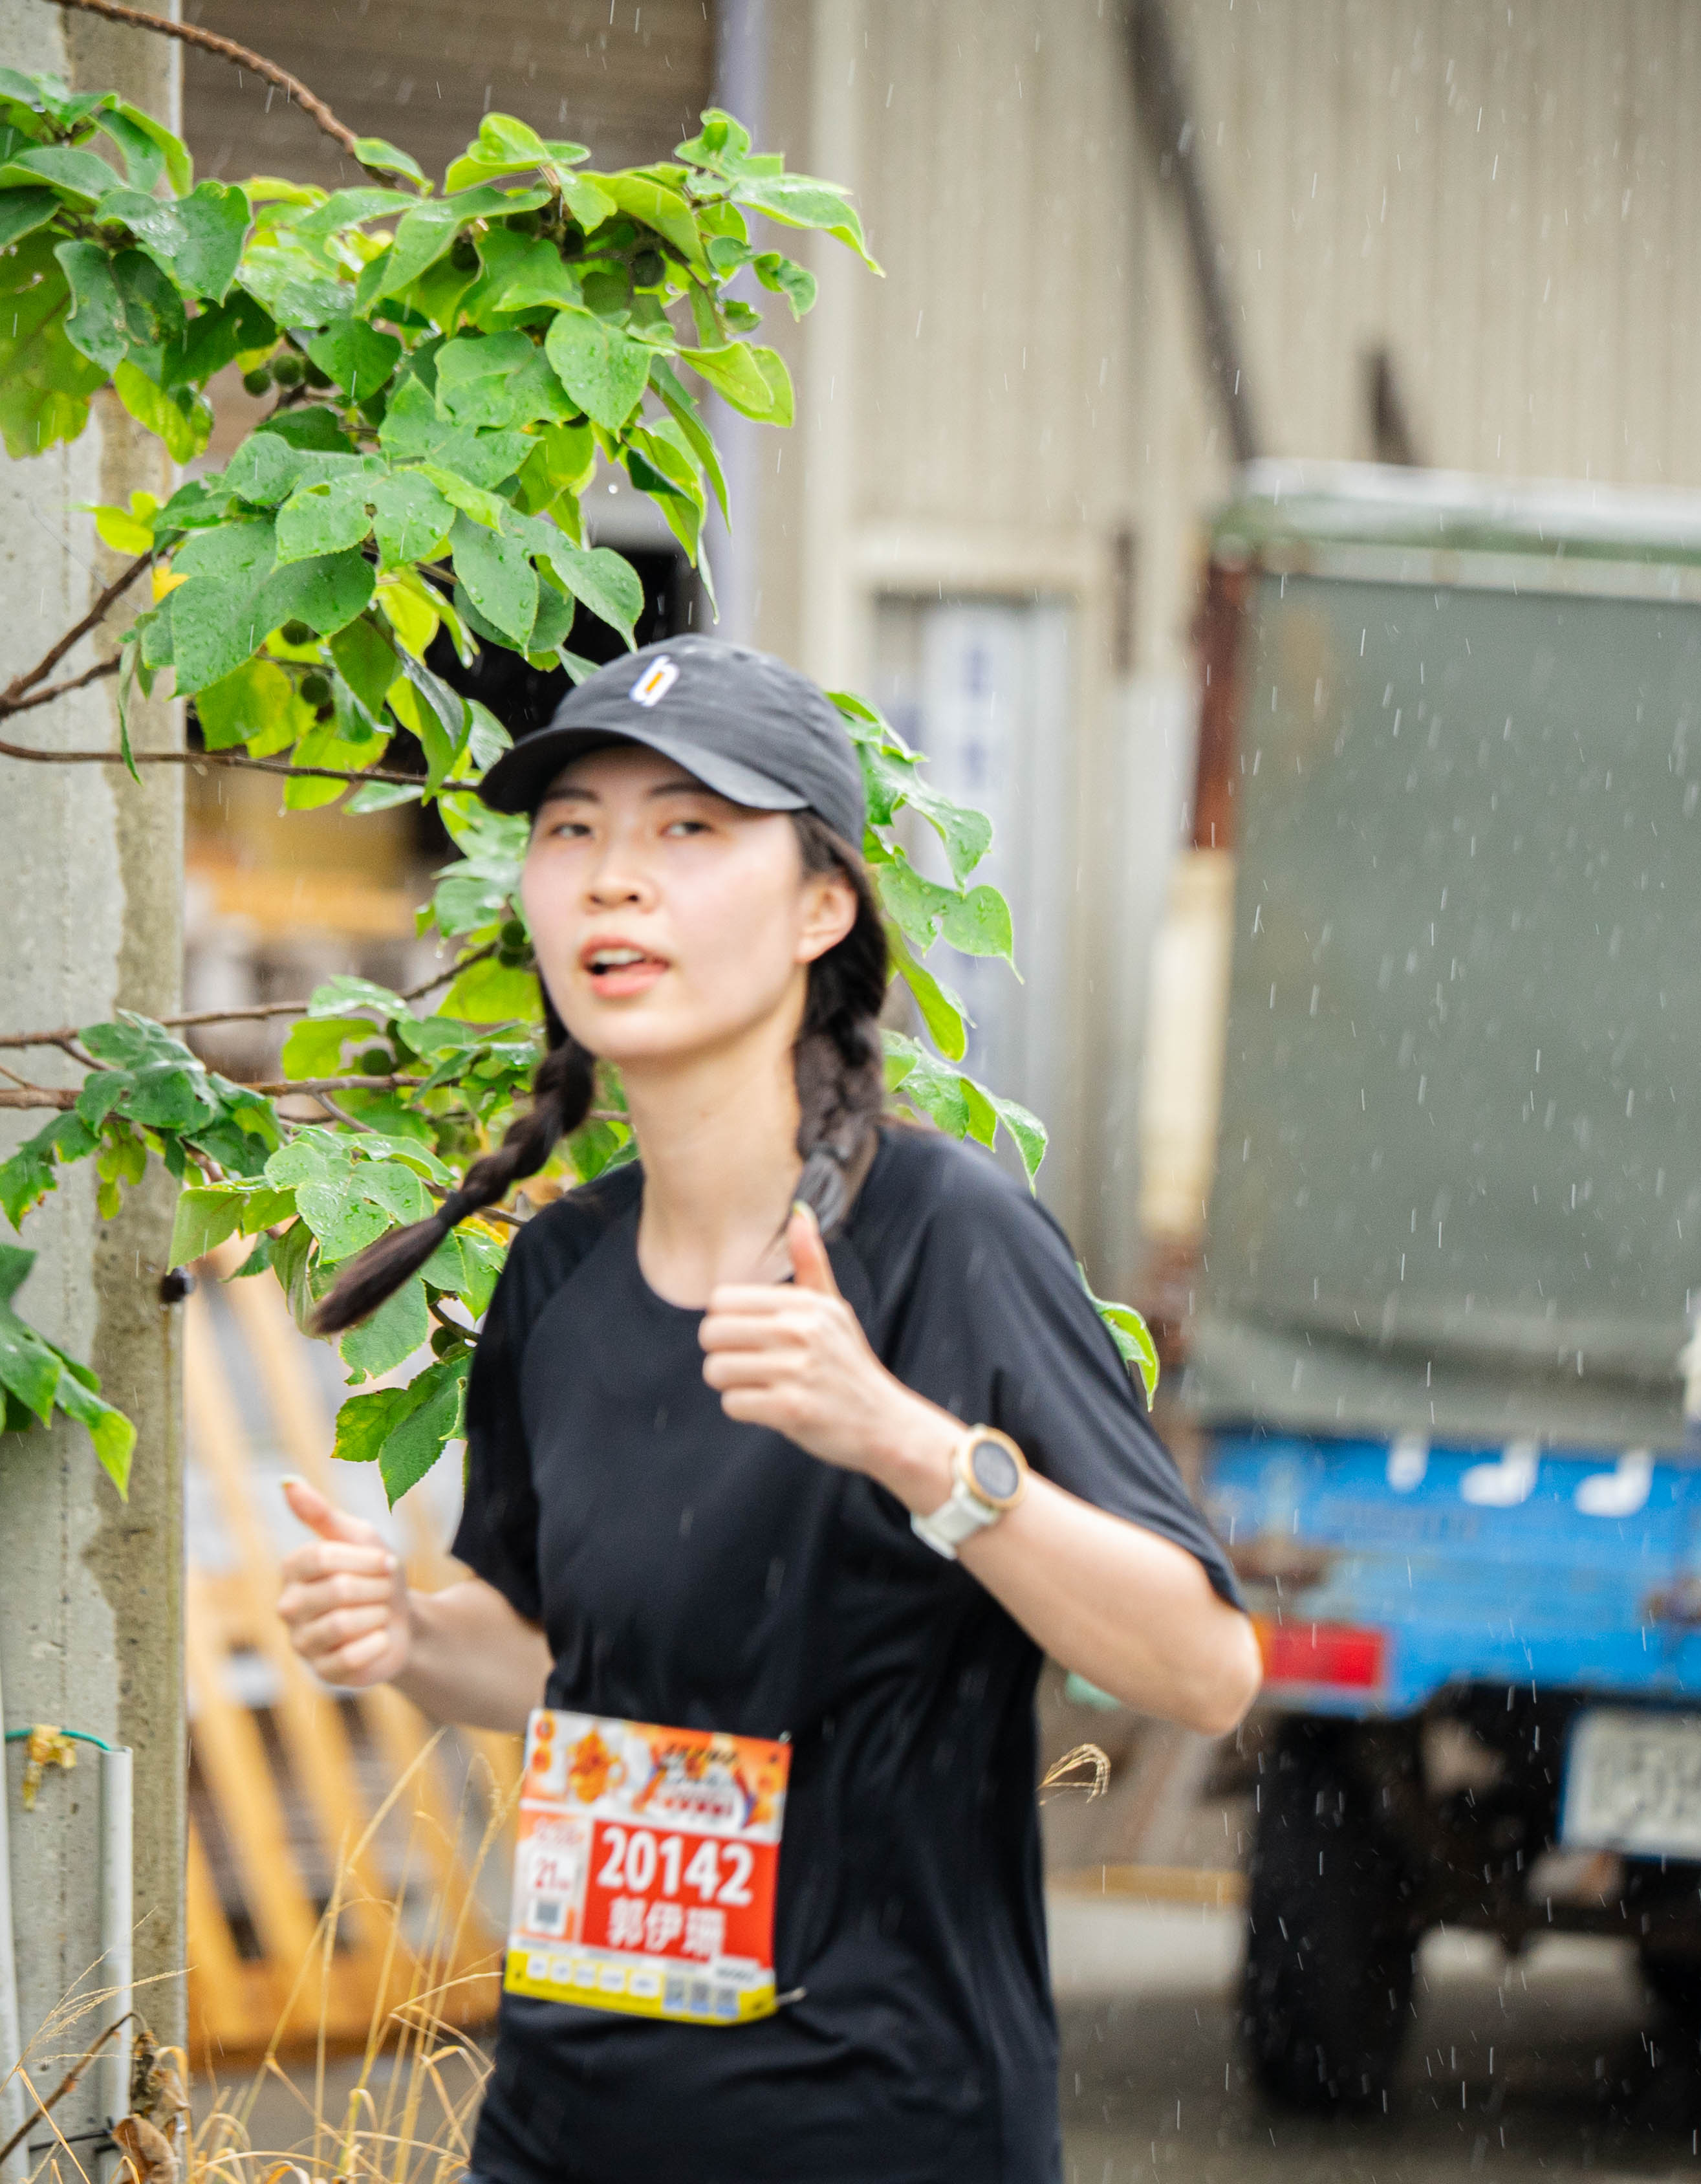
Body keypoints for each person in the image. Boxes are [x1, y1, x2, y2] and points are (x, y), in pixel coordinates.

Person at [270, 635, 1261, 2183]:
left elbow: (1201, 1667)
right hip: (563, 2126)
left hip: (883, 2133)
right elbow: (568, 1667)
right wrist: (403, 1631)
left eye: (688, 829)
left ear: (823, 907)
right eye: (573, 830)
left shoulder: (944, 1237)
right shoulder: (562, 1270)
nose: (614, 877)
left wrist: (905, 1440)